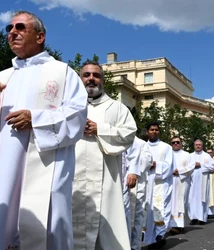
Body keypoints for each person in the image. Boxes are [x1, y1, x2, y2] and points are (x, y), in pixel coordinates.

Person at [0, 10, 88, 249]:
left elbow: (77, 115)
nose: (12, 32)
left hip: (46, 167)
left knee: (46, 228)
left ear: (40, 37)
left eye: (20, 27)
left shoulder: (61, 72)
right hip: (2, 172)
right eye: (9, 28)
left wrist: (35, 119)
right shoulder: (2, 78)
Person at [73, 61, 137, 249]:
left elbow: (129, 134)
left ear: (103, 81)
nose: (91, 79)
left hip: (106, 180)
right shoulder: (69, 106)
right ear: (79, 79)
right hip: (73, 179)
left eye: (96, 75)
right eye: (86, 75)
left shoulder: (116, 108)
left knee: (107, 232)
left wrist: (100, 129)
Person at [144, 122, 173, 247]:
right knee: (147, 209)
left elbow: (170, 165)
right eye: (152, 129)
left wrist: (157, 165)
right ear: (147, 132)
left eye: (156, 130)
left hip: (161, 182)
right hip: (146, 181)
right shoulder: (143, 146)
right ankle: (148, 237)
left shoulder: (166, 147)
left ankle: (159, 236)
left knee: (160, 208)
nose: (154, 132)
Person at [124, 137, 152, 250]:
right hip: (119, 182)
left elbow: (148, 160)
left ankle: (135, 246)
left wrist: (133, 168)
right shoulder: (116, 139)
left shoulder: (141, 143)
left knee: (137, 216)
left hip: (137, 183)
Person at [169, 136, 194, 234]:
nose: (175, 144)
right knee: (170, 202)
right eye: (173, 142)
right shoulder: (168, 153)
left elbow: (191, 166)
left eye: (177, 142)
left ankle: (179, 225)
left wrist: (180, 171)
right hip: (170, 181)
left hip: (182, 181)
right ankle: (170, 224)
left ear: (181, 143)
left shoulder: (187, 155)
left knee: (181, 202)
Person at [188, 139, 214, 225]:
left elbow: (212, 168)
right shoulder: (190, 156)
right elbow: (186, 167)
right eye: (196, 145)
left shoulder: (207, 156)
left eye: (199, 144)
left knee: (203, 199)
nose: (198, 146)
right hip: (192, 181)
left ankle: (202, 218)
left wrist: (200, 165)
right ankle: (193, 218)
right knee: (191, 199)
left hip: (203, 182)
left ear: (202, 146)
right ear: (194, 146)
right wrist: (193, 165)